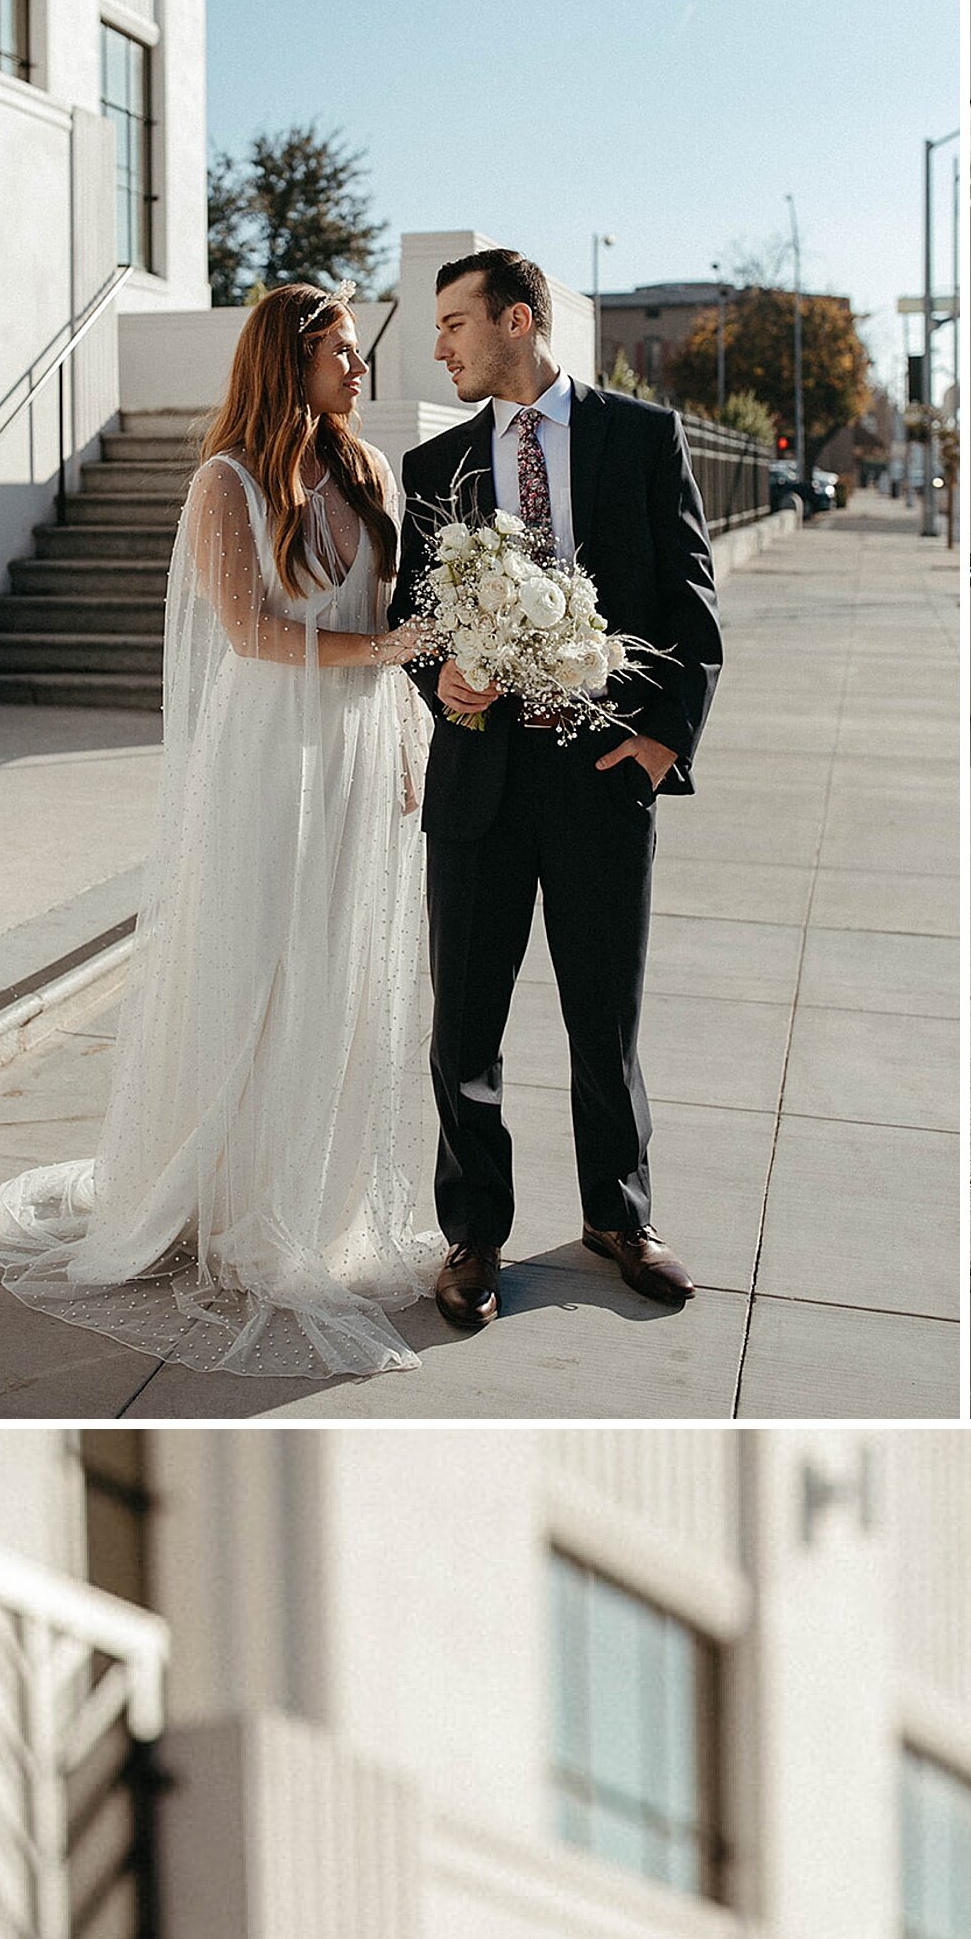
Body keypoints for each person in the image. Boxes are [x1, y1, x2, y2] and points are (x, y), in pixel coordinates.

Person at [0, 290, 442, 1382]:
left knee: (343, 967)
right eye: (339, 353)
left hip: (362, 747)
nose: (358, 370)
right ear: (290, 360)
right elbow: (250, 630)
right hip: (270, 755)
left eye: (358, 354)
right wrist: (373, 662)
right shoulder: (224, 484)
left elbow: (388, 624)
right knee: (257, 968)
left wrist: (407, 732)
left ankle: (315, 1207)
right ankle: (231, 1202)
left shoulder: (370, 475)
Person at [393, 247, 724, 1336]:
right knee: (465, 1031)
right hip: (478, 781)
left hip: (599, 777)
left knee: (603, 1020)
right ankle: (473, 1237)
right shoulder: (437, 464)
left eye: (453, 323)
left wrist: (663, 743)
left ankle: (618, 1219)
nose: (437, 345)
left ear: (518, 319)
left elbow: (690, 602)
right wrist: (436, 675)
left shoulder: (641, 437)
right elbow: (416, 622)